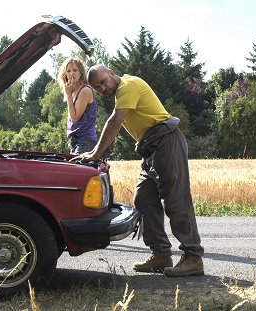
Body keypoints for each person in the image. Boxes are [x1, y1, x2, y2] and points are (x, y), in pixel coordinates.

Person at [72, 64, 204, 277]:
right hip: (151, 147)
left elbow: (115, 122)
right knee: (143, 199)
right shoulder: (121, 93)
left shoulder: (129, 85)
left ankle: (193, 257)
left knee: (176, 200)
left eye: (103, 82)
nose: (102, 89)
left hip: (166, 140)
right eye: (97, 88)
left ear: (112, 73)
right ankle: (161, 254)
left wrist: (95, 153)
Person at [57, 58, 97, 154]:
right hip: (74, 140)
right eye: (68, 71)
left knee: (77, 168)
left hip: (85, 140)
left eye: (75, 70)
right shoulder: (72, 91)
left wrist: (68, 96)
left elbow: (74, 118)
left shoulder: (84, 91)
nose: (72, 73)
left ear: (81, 73)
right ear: (65, 74)